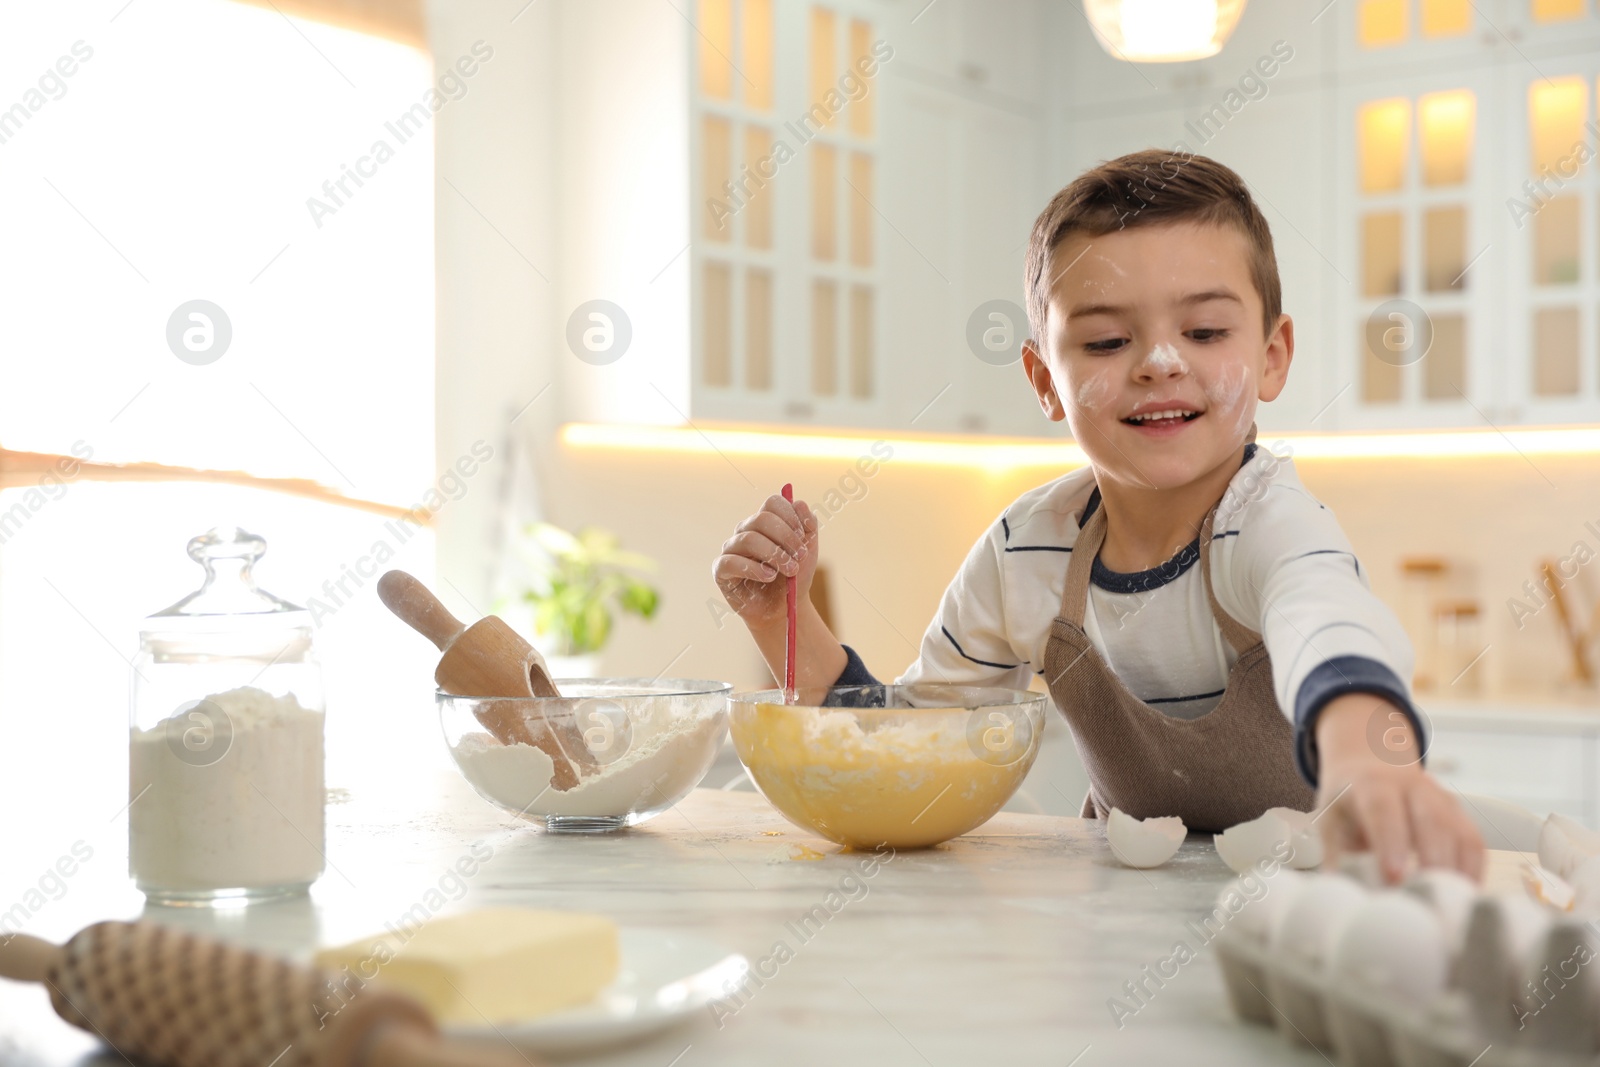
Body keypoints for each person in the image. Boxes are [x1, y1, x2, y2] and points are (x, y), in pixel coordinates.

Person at [712, 149, 1484, 883]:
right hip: (1118, 930)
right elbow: (905, 750)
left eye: (1205, 331)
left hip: (1313, 905)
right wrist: (785, 618)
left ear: (1275, 355)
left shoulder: (1273, 521)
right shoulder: (1026, 550)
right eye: (1109, 339)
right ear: (1045, 379)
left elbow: (1331, 623)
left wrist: (1363, 756)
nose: (1159, 361)